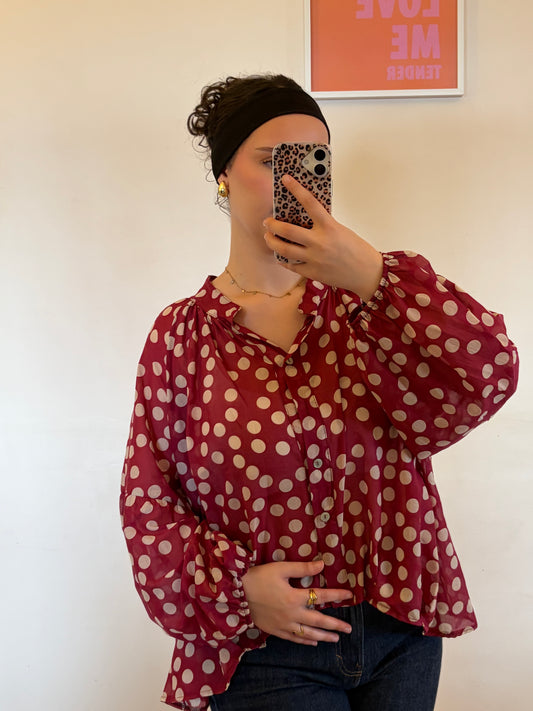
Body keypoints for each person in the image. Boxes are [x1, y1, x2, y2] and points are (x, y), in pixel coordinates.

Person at [120, 74, 518, 711]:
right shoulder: (183, 337)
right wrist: (237, 590)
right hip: (261, 647)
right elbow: (148, 499)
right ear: (223, 177)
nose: (296, 179)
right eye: (272, 160)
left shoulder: (373, 306)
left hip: (400, 630)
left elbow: (488, 373)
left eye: (313, 159)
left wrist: (372, 274)